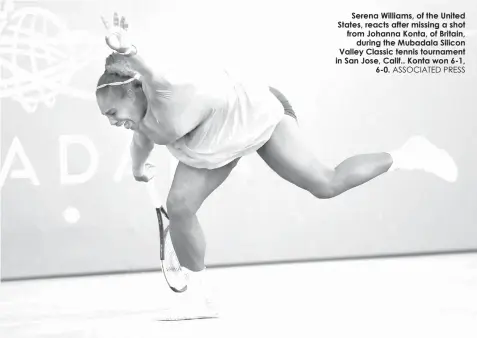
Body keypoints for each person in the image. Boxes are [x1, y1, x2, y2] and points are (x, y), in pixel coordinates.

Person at [96, 13, 458, 319]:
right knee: (179, 206)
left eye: (113, 112)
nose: (112, 120)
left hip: (258, 117)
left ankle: (407, 154)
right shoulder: (141, 123)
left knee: (325, 184)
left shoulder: (162, 87)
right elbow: (141, 142)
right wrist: (137, 169)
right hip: (214, 146)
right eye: (106, 117)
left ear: (134, 91)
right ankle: (201, 297)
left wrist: (128, 50)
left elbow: (149, 70)